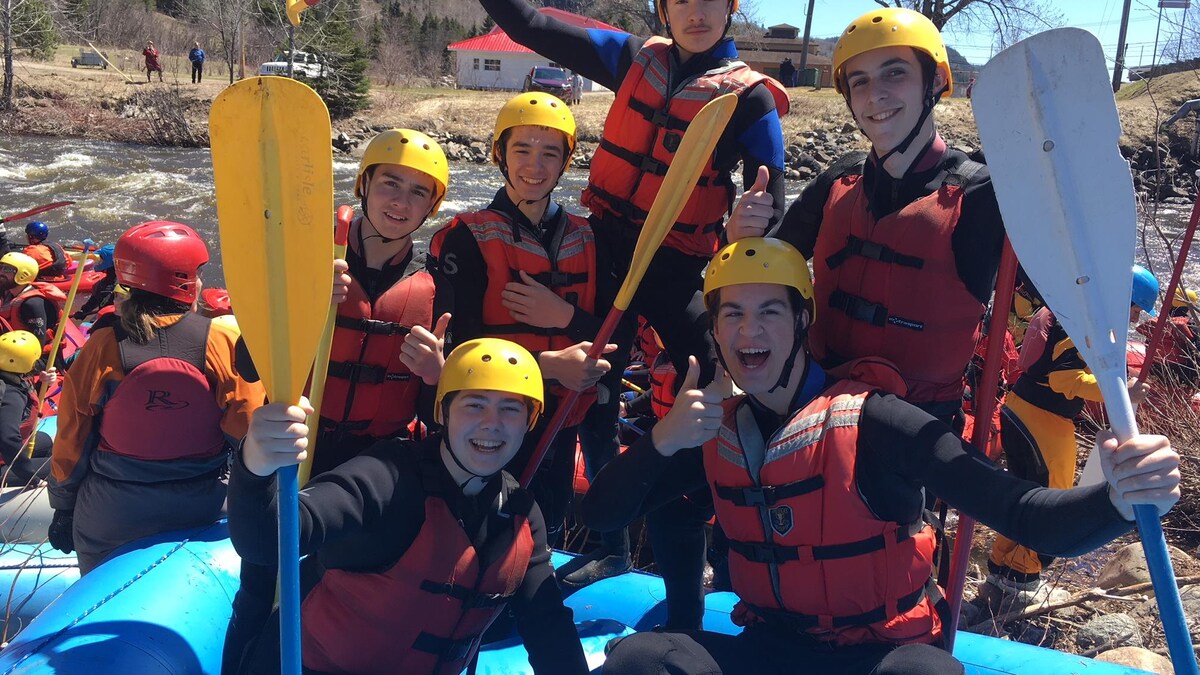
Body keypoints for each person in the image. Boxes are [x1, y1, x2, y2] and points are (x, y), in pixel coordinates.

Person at [582, 238, 1182, 675]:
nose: (748, 331)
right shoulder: (717, 432)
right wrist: (662, 439)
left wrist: (1118, 501)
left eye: (768, 311)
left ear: (800, 320)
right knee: (641, 658)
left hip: (874, 657)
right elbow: (602, 517)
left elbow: (1023, 512)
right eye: (731, 314)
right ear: (714, 331)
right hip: (769, 648)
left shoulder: (878, 422)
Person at [479, 0, 788, 615]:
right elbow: (532, 25)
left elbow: (769, 196)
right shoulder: (629, 57)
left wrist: (753, 220)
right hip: (605, 245)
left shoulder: (746, 99)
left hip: (674, 262)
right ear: (664, 9)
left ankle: (731, 552)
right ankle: (610, 544)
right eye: (681, 1)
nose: (695, 12)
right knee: (595, 386)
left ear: (730, 10)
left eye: (710, 1)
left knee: (721, 388)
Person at [222, 127, 452, 673]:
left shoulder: (437, 285)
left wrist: (435, 378)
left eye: (419, 192)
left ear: (432, 207)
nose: (401, 201)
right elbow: (249, 364)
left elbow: (436, 416)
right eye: (391, 183)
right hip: (298, 449)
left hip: (371, 474)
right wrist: (300, 305)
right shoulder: (307, 260)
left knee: (337, 594)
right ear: (364, 185)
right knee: (260, 590)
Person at [227, 338, 589, 675]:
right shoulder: (388, 476)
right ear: (444, 413)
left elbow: (548, 628)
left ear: (529, 423)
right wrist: (255, 464)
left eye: (510, 409)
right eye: (475, 404)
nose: (492, 424)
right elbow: (265, 542)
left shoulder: (521, 515)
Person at [728, 8, 1004, 431]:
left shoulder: (984, 197)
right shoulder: (840, 178)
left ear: (934, 82)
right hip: (815, 405)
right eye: (860, 82)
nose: (874, 95)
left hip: (916, 430)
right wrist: (741, 239)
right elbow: (763, 279)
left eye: (894, 74)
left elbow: (1062, 301)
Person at [431, 92, 624, 581]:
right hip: (493, 417)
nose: (534, 166)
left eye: (549, 153)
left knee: (548, 519)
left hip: (564, 415)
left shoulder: (592, 236)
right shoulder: (466, 237)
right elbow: (459, 348)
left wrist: (565, 318)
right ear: (500, 154)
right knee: (488, 526)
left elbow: (617, 327)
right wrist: (546, 366)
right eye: (522, 150)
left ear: (565, 162)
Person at [45, 221, 264, 574]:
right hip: (204, 503)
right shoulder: (221, 339)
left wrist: (63, 506)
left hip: (112, 512)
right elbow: (248, 432)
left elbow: (72, 435)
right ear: (185, 281)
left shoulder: (101, 345)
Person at [985, 265, 1157, 603]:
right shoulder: (1081, 324)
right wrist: (1120, 392)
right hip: (1041, 418)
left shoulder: (1076, 312)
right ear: (1121, 300)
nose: (1136, 320)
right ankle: (1021, 579)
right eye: (1135, 309)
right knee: (1051, 497)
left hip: (1023, 409)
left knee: (1026, 493)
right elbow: (1064, 380)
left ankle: (1001, 567)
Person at [0, 331, 55, 487]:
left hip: (7, 452)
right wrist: (31, 477)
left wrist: (43, 384)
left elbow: (25, 404)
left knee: (46, 442)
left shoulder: (10, 377)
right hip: (4, 460)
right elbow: (7, 439)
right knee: (64, 467)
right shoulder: (10, 394)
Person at [0, 251, 64, 350]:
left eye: (7, 269)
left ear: (23, 274)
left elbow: (38, 345)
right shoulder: (8, 292)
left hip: (36, 358)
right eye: (1, 268)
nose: (1, 272)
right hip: (12, 346)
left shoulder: (32, 304)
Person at [71, 244, 117, 321]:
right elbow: (95, 300)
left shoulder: (115, 286)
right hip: (105, 315)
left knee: (93, 321)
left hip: (114, 319)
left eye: (100, 260)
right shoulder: (102, 284)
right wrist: (83, 311)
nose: (97, 262)